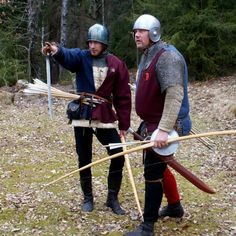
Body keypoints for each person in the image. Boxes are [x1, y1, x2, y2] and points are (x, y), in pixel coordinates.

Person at [42, 23, 132, 215]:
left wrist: (124, 124)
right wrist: (56, 50)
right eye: (90, 41)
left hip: (105, 115)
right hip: (82, 114)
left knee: (118, 155)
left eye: (97, 42)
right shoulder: (81, 57)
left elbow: (123, 96)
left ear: (104, 43)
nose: (92, 46)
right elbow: (68, 55)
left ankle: (112, 198)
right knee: (84, 157)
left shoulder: (116, 64)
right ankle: (88, 198)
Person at [125, 14, 191, 235]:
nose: (136, 35)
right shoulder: (148, 55)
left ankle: (147, 227)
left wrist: (163, 129)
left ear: (153, 32)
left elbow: (174, 95)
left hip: (167, 124)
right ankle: (174, 207)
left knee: (152, 173)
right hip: (153, 122)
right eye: (135, 31)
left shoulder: (167, 57)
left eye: (141, 31)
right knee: (161, 167)